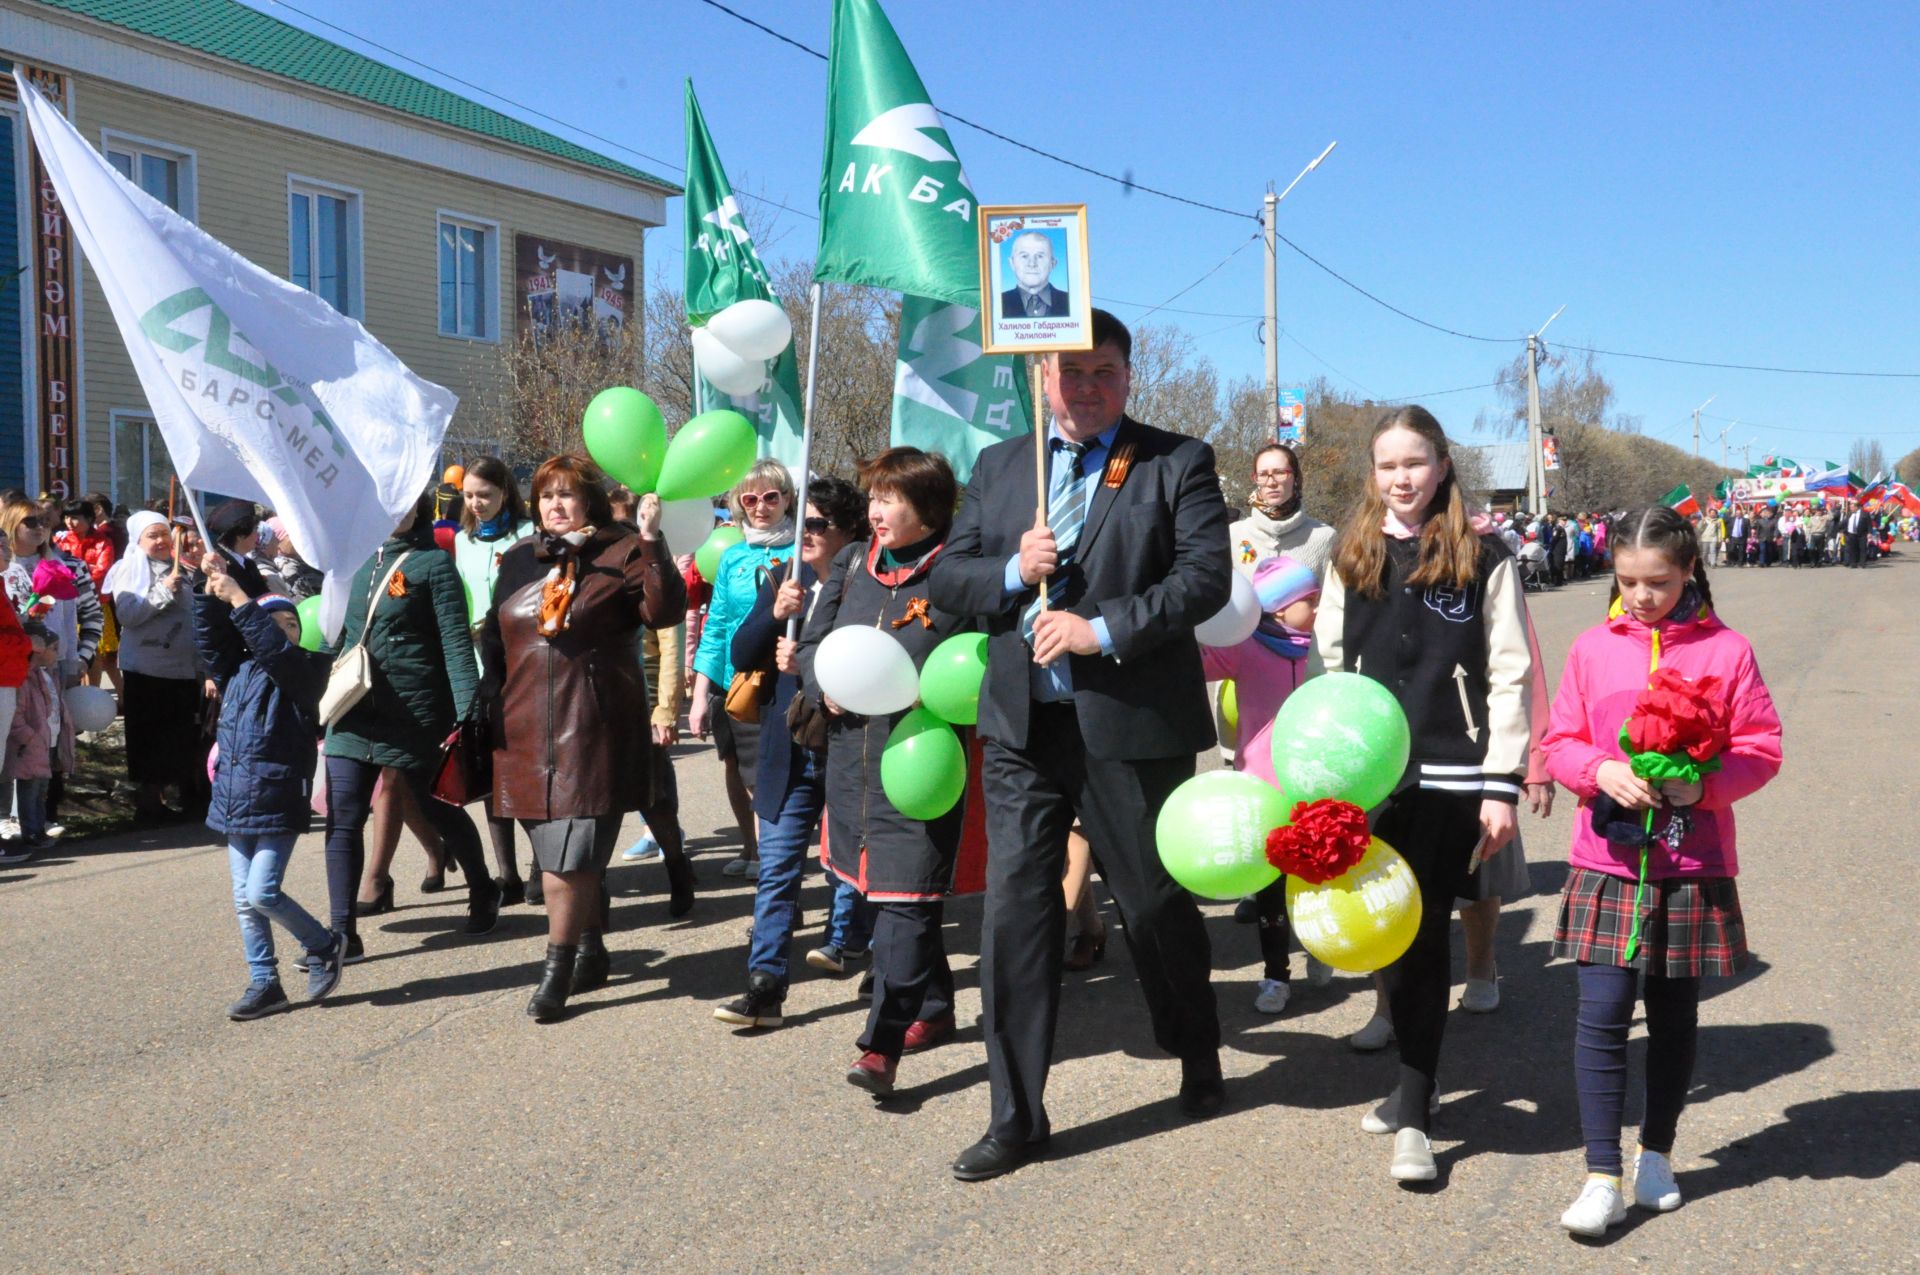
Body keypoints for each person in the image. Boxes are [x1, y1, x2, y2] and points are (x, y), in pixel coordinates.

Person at [929, 309, 1233, 1181]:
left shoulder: (1178, 461)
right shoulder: (998, 466)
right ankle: (1016, 1113)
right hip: (1024, 726)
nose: (1087, 386)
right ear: (1043, 379)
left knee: (1155, 904)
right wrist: (1010, 572)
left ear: (1129, 377)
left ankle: (1194, 1044)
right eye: (1070, 370)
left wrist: (1101, 628)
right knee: (1015, 913)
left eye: (1104, 370)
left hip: (1129, 725)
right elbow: (949, 577)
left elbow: (1203, 579)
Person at [1542, 506, 1782, 1236]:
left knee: (1675, 1016)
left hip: (1691, 859)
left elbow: (1761, 745)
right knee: (1602, 1017)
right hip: (1605, 860)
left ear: (1689, 571)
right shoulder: (1591, 647)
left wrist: (1704, 786)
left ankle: (1657, 1154)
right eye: (1627, 581)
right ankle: (1600, 1173)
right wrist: (1598, 768)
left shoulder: (1728, 650)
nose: (1642, 596)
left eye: (1659, 581)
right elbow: (1560, 741)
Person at [1313, 405, 1533, 1183]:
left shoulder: (1485, 554)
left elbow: (1509, 672)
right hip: (1373, 780)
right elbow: (1332, 668)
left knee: (1423, 931)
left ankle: (1414, 1107)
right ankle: (1419, 1074)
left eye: (1415, 462)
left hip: (1452, 777)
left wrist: (1502, 782)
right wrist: (1331, 776)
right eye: (1387, 465)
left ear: (1442, 466)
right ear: (1372, 475)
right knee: (1385, 929)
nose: (1401, 478)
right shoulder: (1352, 552)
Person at [480, 457, 685, 1022]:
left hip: (591, 729)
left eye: (567, 495)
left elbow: (665, 610)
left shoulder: (622, 550)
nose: (555, 506)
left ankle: (557, 968)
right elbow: (495, 635)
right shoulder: (521, 557)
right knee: (557, 850)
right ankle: (593, 949)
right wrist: (486, 689)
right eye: (546, 496)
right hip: (520, 730)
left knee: (569, 857)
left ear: (590, 501)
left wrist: (651, 541)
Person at [796, 449, 974, 1094]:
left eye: (890, 500)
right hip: (850, 758)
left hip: (922, 756)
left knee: (908, 901)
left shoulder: (957, 570)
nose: (874, 511)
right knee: (892, 897)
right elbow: (815, 644)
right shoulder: (850, 562)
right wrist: (823, 686)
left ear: (927, 508)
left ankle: (880, 1047)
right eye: (873, 498)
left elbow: (980, 660)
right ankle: (934, 1005)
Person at [714, 476, 874, 1029]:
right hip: (793, 744)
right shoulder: (789, 576)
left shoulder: (871, 583)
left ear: (850, 530)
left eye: (818, 523)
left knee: (856, 862)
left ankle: (859, 941)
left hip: (854, 744)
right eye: (801, 520)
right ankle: (765, 985)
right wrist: (772, 610)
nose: (803, 532)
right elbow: (740, 653)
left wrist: (807, 660)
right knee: (777, 868)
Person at [323, 489, 500, 962]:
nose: (396, 513)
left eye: (404, 504)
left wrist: (466, 716)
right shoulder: (353, 564)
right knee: (343, 817)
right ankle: (342, 932)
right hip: (354, 709)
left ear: (419, 508)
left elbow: (456, 644)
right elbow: (336, 635)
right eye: (384, 504)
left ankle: (483, 888)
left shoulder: (432, 565)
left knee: (435, 806)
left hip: (416, 713)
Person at [194, 562, 344, 1021]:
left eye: (291, 623)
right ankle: (264, 982)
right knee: (245, 900)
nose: (283, 629)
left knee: (262, 892)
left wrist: (242, 599)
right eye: (273, 621)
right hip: (235, 797)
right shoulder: (236, 668)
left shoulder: (305, 670)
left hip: (278, 796)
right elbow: (210, 639)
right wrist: (209, 592)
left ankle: (322, 944)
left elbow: (275, 652)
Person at [1201, 554, 1321, 1014]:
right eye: (1308, 600)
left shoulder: (1324, 645)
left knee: (1317, 877)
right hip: (1262, 786)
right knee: (1271, 889)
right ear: (1276, 609)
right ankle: (1275, 976)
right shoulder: (1246, 646)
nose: (1318, 604)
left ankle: (1319, 946)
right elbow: (1203, 660)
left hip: (1316, 784)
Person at [690, 460, 798, 878]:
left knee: (765, 777)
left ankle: (773, 867)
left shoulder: (800, 550)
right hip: (733, 682)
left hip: (782, 677)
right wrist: (700, 696)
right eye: (750, 499)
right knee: (736, 767)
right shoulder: (733, 556)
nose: (760, 506)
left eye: (771, 497)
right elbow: (715, 627)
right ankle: (751, 850)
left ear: (787, 499)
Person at [454, 456, 536, 902]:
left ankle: (543, 864)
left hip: (520, 662)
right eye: (469, 495)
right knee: (489, 771)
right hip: (477, 666)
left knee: (529, 765)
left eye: (484, 494)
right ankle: (507, 873)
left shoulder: (528, 537)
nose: (476, 503)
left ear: (506, 491)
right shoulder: (464, 540)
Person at [103, 511, 200, 822]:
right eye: (152, 536)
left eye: (164, 534)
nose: (160, 541)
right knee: (150, 739)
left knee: (176, 737)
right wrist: (162, 592)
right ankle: (148, 804)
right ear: (138, 540)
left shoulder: (177, 567)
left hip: (181, 667)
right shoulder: (128, 569)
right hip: (147, 669)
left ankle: (175, 798)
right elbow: (128, 615)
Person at [2, 626, 67, 854]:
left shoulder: (43, 676)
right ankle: (29, 831)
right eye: (53, 649)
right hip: (27, 746)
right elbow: (16, 714)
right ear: (38, 651)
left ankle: (38, 829)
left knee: (41, 789)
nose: (57, 654)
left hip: (43, 742)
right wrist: (29, 736)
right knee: (29, 790)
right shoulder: (23, 679)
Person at [205, 500, 272, 597]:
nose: (258, 535)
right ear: (240, 535)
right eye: (255, 529)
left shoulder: (248, 564)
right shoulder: (216, 565)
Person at [999, 231, 1071, 320]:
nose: (1032, 264)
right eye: (1024, 256)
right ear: (1012, 263)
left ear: (1053, 263)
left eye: (1040, 256)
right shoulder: (997, 304)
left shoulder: (1073, 303)